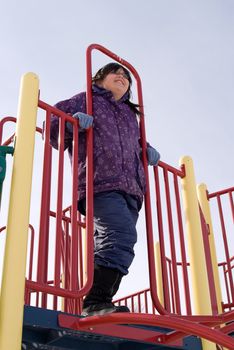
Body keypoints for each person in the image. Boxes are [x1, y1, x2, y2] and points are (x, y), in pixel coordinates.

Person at [50, 62, 160, 316]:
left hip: (131, 188)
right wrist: (70, 123)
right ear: (99, 79)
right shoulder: (86, 100)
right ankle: (95, 301)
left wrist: (147, 149)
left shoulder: (130, 116)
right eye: (115, 72)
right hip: (99, 183)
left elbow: (135, 142)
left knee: (118, 242)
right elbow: (52, 125)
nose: (122, 77)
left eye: (126, 76)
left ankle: (98, 301)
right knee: (121, 236)